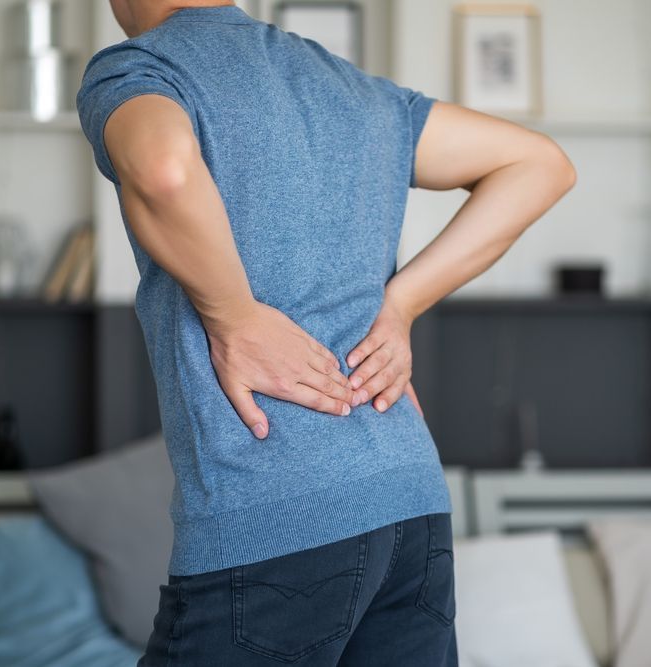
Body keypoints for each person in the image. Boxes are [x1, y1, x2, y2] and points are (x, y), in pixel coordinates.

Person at [76, 1, 576, 664]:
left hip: (273, 512)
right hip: (408, 501)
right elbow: (540, 164)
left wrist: (234, 313)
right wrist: (401, 305)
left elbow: (164, 167)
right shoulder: (347, 86)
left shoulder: (143, 69)